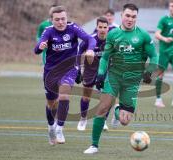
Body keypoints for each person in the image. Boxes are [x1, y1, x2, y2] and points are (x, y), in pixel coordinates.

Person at [83, 3, 158, 154]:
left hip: (132, 81)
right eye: (128, 16)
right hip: (114, 76)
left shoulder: (143, 35)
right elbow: (105, 57)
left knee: (124, 121)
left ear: (137, 18)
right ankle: (94, 145)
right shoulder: (113, 34)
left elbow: (154, 56)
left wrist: (149, 72)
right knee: (102, 108)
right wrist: (100, 74)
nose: (130, 19)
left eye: (134, 17)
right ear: (122, 16)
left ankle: (117, 110)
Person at [34, 6, 96, 145]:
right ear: (52, 20)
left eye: (63, 19)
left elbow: (90, 39)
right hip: (51, 72)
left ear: (66, 18)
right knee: (51, 103)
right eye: (57, 20)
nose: (61, 22)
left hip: (69, 68)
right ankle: (51, 127)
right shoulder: (48, 31)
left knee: (64, 94)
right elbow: (36, 50)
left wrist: (90, 50)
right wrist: (40, 46)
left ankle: (60, 128)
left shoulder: (73, 28)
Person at [77, 17, 109, 131]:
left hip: (105, 70)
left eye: (105, 27)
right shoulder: (90, 39)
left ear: (108, 28)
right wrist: (78, 69)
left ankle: (103, 120)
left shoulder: (111, 40)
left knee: (107, 97)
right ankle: (83, 118)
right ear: (96, 27)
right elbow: (79, 51)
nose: (102, 29)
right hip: (90, 70)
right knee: (86, 97)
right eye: (100, 27)